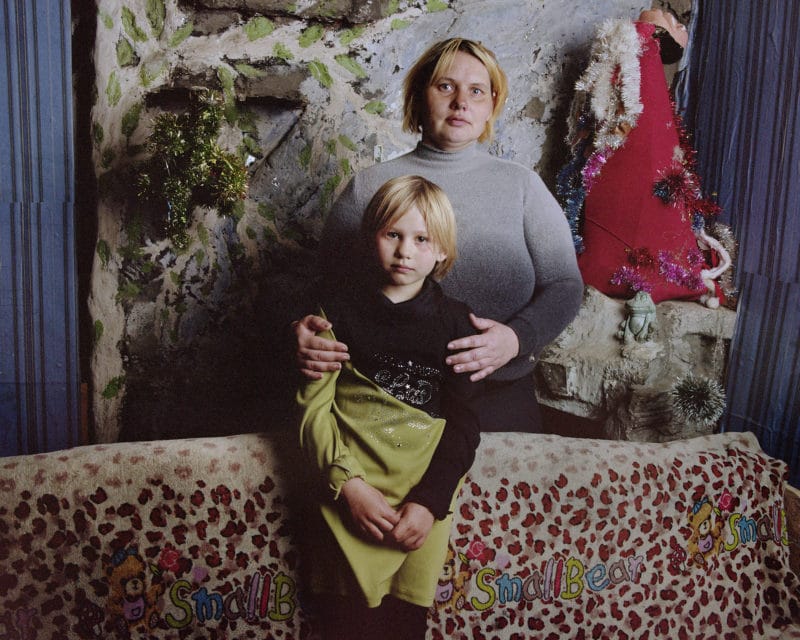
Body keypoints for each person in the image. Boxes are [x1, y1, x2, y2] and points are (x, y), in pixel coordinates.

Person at [294, 37, 584, 433]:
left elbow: (565, 284)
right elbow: (324, 287)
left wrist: (517, 338)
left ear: (491, 105)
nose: (461, 102)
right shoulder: (369, 187)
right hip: (386, 403)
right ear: (418, 96)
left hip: (498, 397)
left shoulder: (523, 187)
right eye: (445, 86)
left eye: (476, 91)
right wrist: (301, 331)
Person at [297, 175, 482, 640]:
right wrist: (349, 486)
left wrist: (429, 503)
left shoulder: (457, 324)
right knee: (344, 625)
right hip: (348, 495)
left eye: (422, 239)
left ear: (442, 251)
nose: (405, 251)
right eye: (393, 235)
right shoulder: (335, 313)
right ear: (370, 238)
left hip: (421, 506)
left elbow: (463, 427)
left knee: (404, 627)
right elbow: (312, 412)